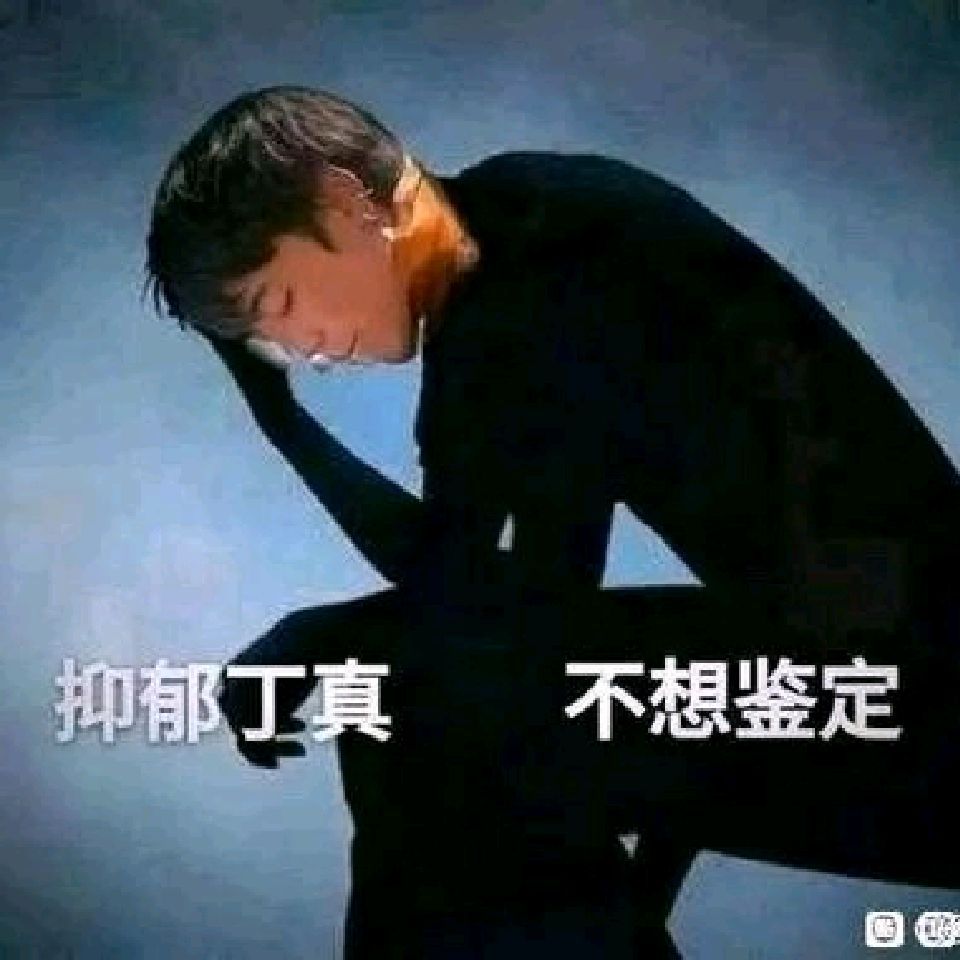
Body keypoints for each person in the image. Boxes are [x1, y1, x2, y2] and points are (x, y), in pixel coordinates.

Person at [145, 86, 960, 957]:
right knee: (419, 700)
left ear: (346, 202)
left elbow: (509, 612)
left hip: (919, 713)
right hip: (839, 669)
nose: (299, 349)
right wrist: (282, 426)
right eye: (267, 341)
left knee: (426, 705)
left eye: (278, 303)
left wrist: (321, 625)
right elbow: (465, 583)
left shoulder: (552, 261)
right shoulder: (503, 251)